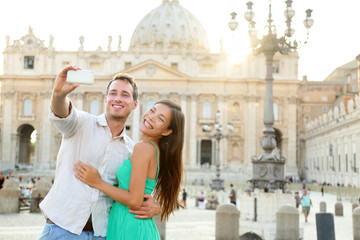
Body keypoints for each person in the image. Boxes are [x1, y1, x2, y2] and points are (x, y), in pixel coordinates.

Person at [39, 66, 159, 239]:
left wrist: (157, 205)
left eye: (125, 94)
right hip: (62, 229)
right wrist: (58, 94)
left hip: (102, 234)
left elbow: (137, 190)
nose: (118, 98)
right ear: (106, 99)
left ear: (135, 104)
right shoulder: (80, 124)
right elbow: (62, 113)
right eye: (113, 93)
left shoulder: (132, 150)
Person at [74, 99, 185, 239]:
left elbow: (134, 200)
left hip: (130, 225)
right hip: (131, 223)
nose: (151, 117)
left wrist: (97, 182)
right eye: (152, 110)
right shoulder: (152, 150)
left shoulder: (143, 148)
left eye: (160, 119)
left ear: (167, 131)